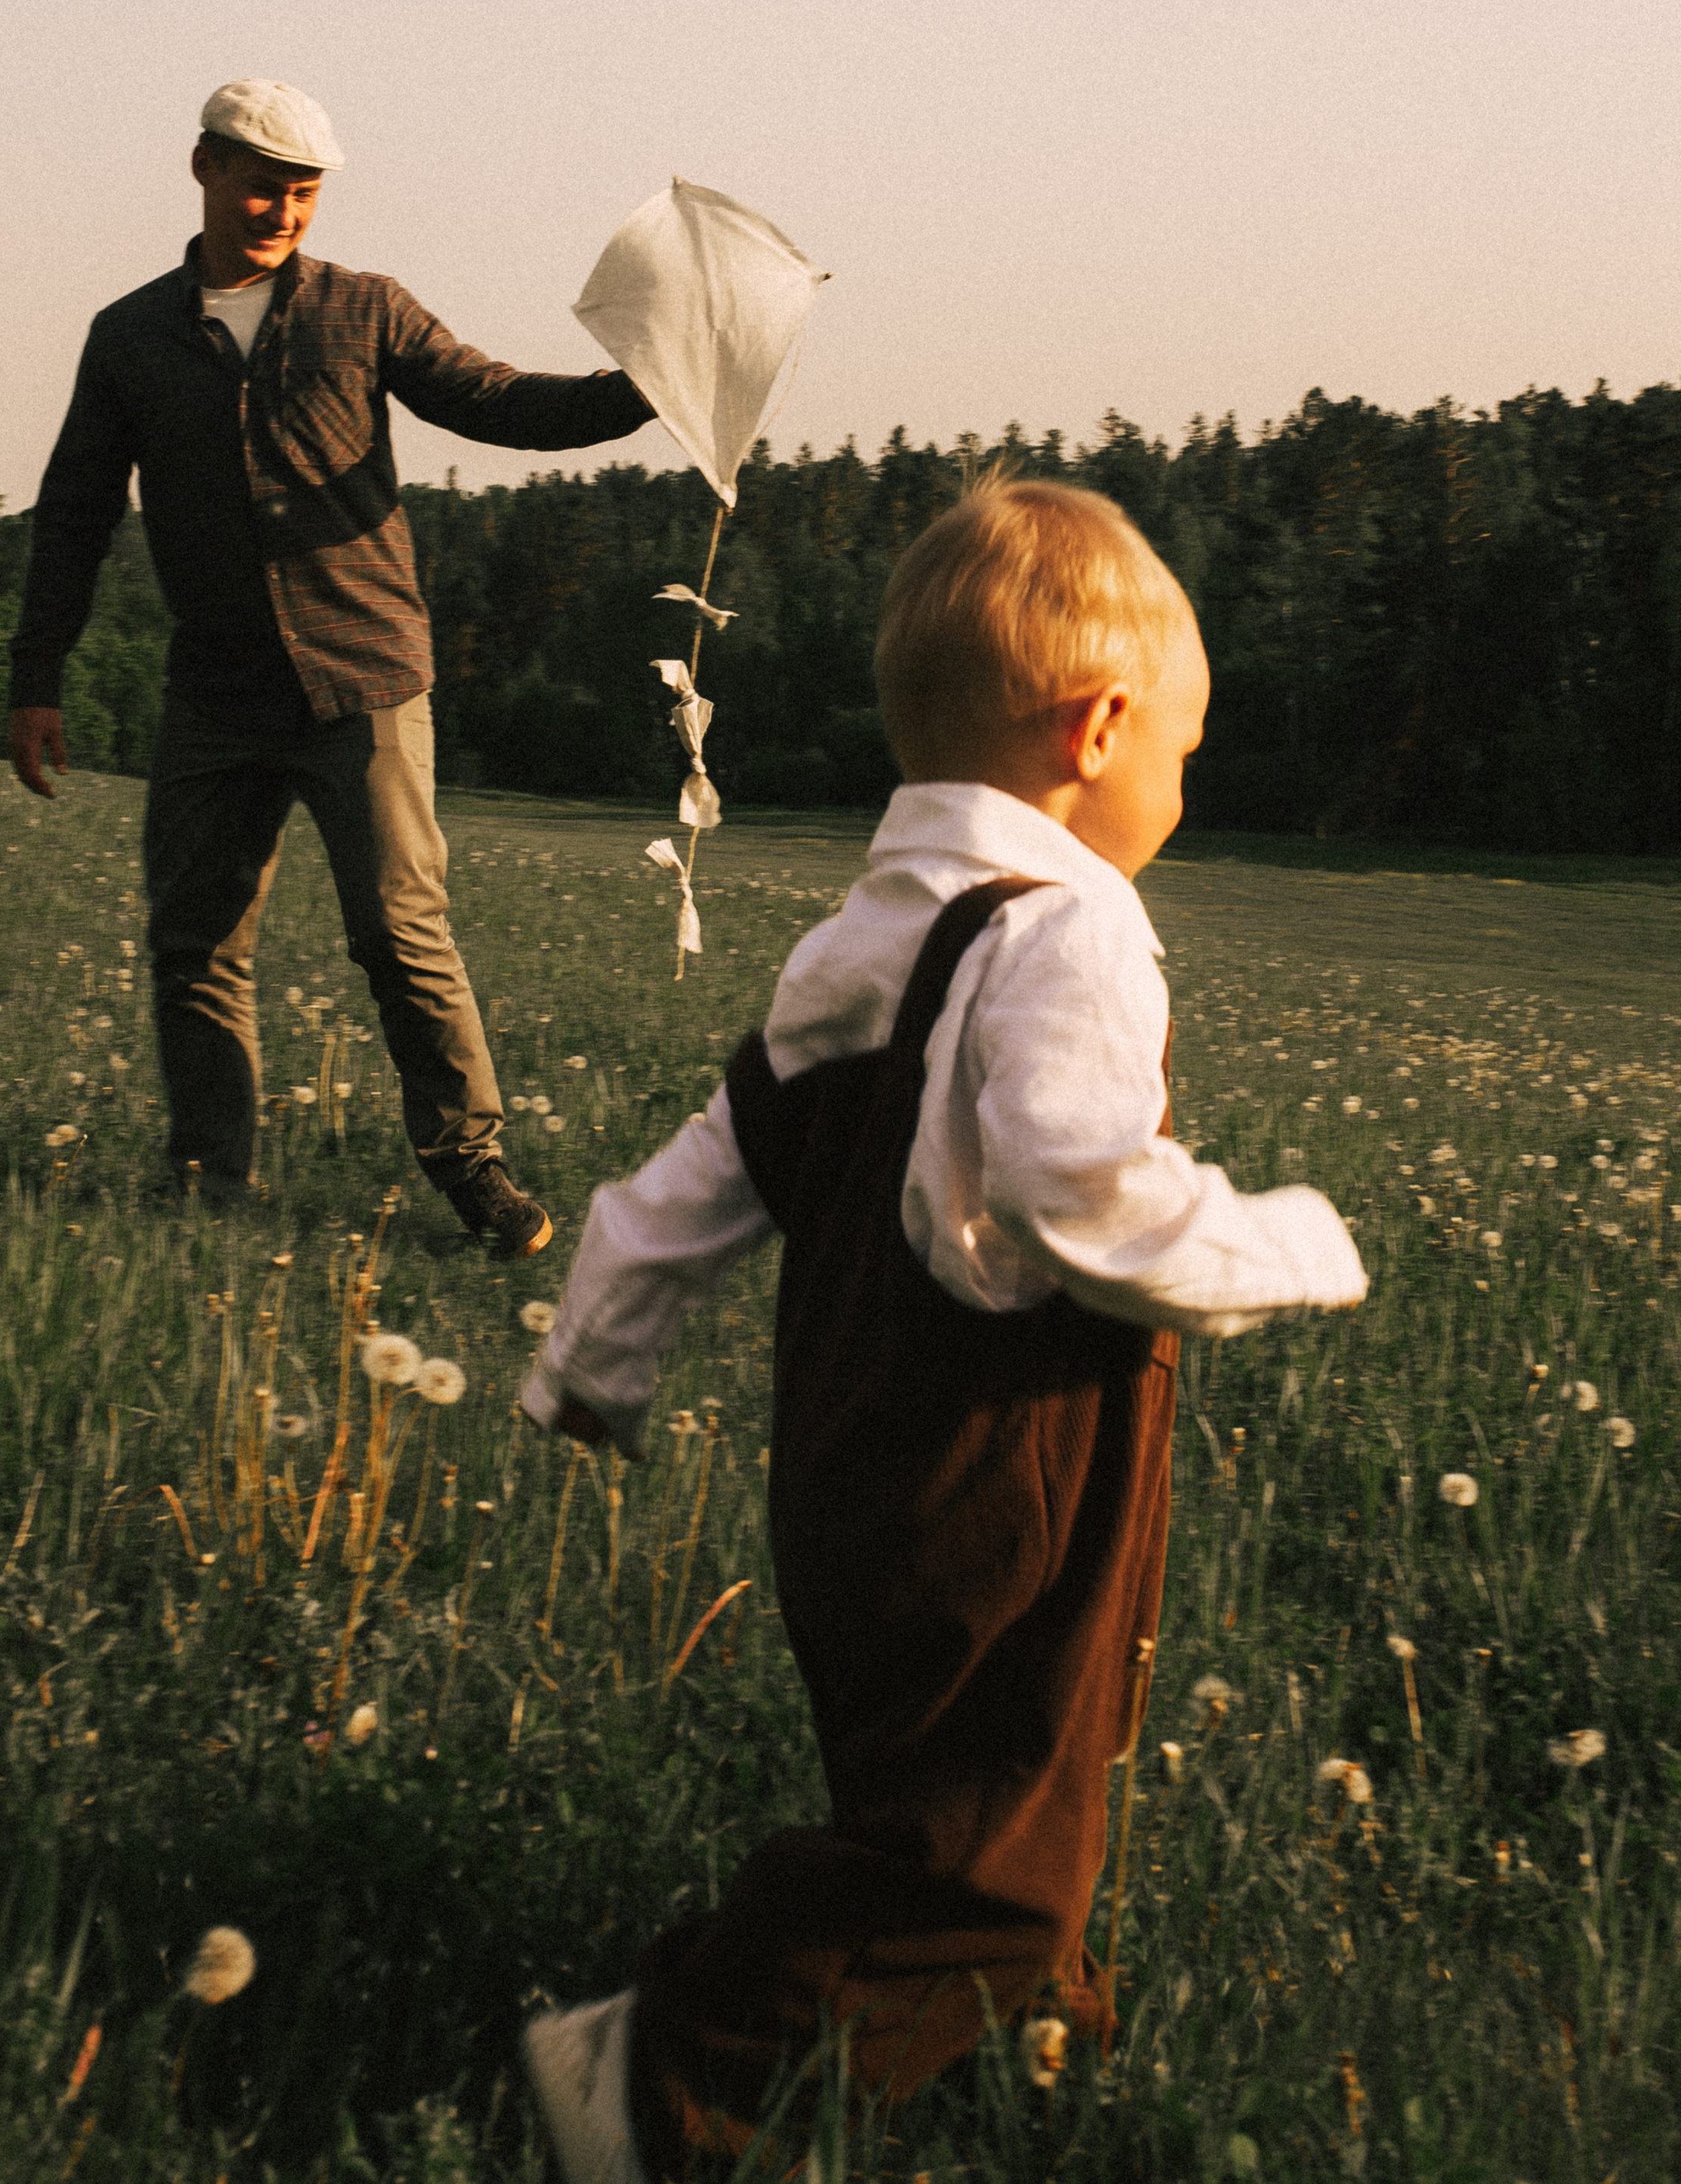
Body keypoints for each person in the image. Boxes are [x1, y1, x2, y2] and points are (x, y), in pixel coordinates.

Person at [519, 478, 1368, 2182]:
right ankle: (657, 2071)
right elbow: (1079, 1199)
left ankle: (1022, 2034)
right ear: (1096, 725)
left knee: (979, 1782)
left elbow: (680, 1188)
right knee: (973, 1842)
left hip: (846, 1470)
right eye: (1181, 758)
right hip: (1005, 1468)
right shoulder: (1069, 927)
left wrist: (593, 1357)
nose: (1177, 796)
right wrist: (1286, 1242)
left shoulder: (858, 939)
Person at [7, 78, 654, 1254]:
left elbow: (500, 401)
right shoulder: (129, 338)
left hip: (364, 680)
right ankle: (211, 1183)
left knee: (402, 937)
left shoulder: (366, 311)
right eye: (262, 181)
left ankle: (475, 1173)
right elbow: (75, 511)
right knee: (195, 941)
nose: (282, 208)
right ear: (202, 166)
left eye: (303, 190)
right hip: (216, 695)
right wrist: (35, 676)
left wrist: (640, 395)